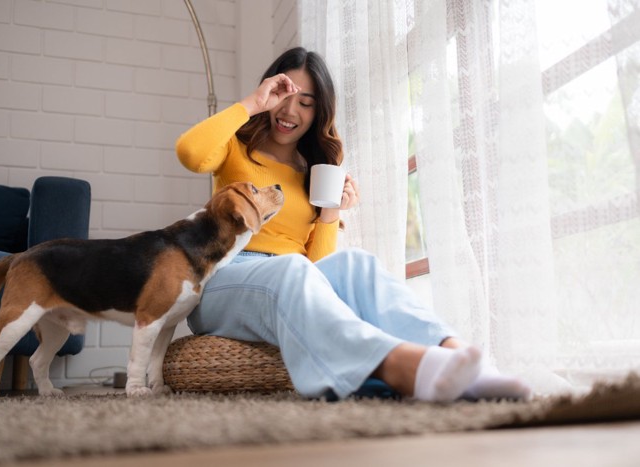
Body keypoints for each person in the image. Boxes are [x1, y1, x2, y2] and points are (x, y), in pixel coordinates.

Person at [176, 47, 530, 402]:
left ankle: (463, 360)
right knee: (290, 270)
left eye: (306, 103)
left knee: (358, 265)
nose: (290, 111)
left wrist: (331, 214)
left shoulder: (311, 171)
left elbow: (314, 272)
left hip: (289, 277)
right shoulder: (235, 147)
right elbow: (190, 152)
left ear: (319, 112)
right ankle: (401, 367)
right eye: (284, 95)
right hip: (222, 277)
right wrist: (252, 103)